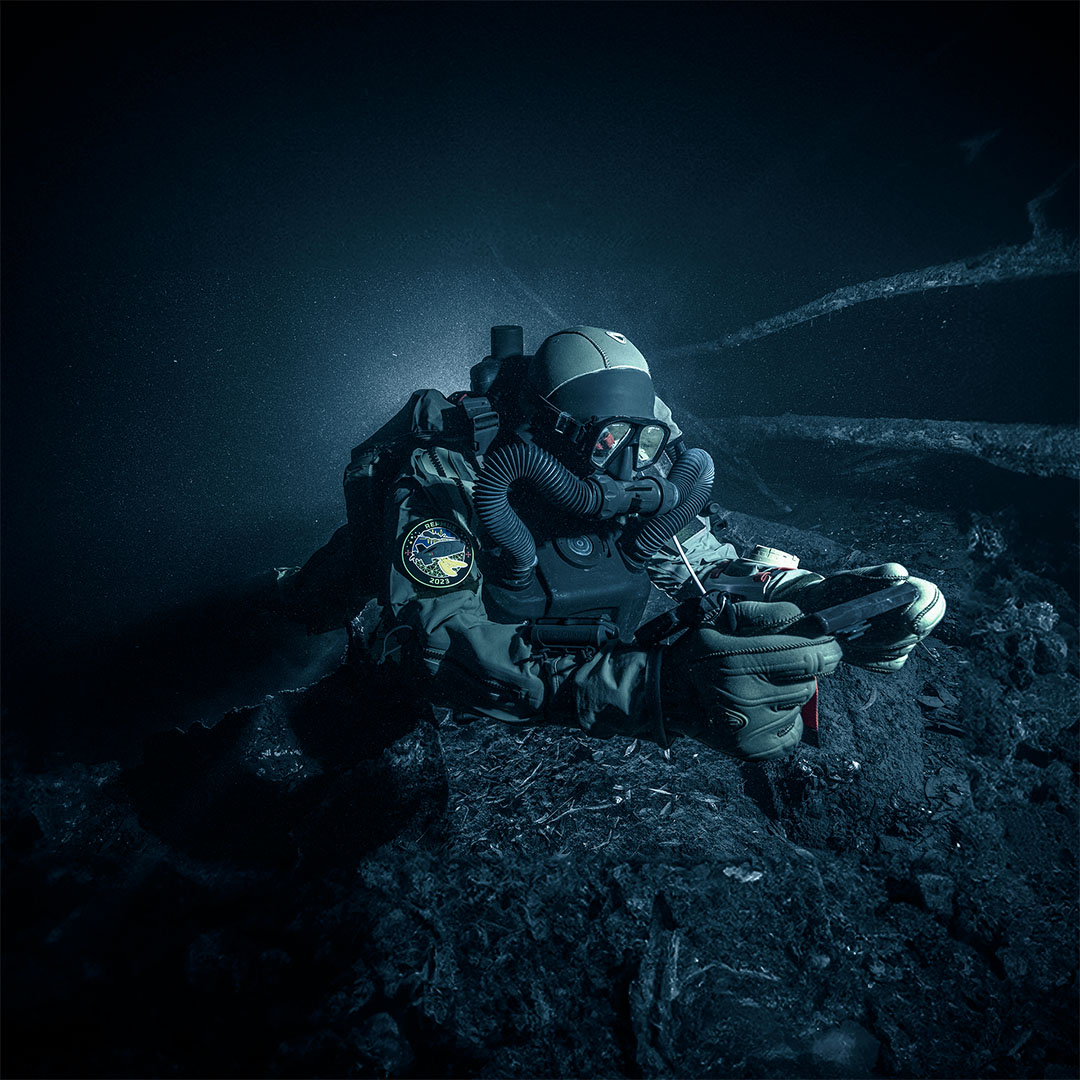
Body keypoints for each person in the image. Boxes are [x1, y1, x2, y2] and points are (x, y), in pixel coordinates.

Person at [280, 325, 946, 761]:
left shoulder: (650, 464)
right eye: (606, 442)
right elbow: (445, 646)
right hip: (414, 571)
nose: (628, 466)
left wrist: (812, 595)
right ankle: (281, 629)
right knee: (316, 616)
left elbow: (701, 565)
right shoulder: (446, 476)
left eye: (645, 440)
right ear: (549, 428)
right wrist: (654, 692)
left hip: (533, 616)